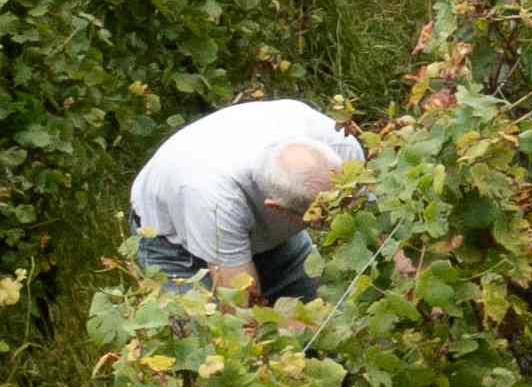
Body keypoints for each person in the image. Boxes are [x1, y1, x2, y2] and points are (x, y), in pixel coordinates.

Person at [128, 97, 362, 303]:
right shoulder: (214, 201)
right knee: (216, 342)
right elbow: (242, 310)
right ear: (278, 211)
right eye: (323, 217)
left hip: (247, 215)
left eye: (343, 199)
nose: (340, 217)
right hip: (178, 248)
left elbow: (375, 230)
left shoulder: (341, 145)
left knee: (323, 314)